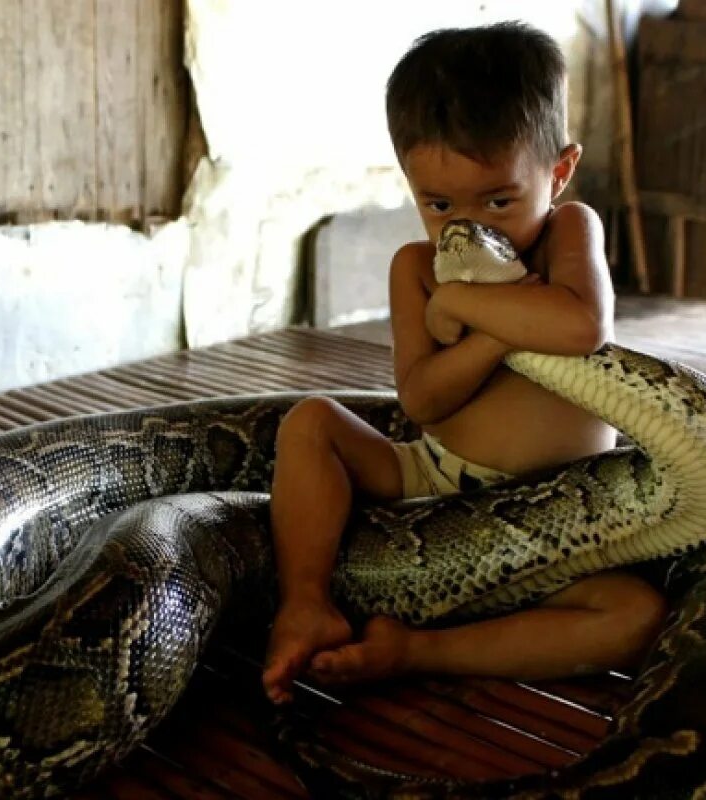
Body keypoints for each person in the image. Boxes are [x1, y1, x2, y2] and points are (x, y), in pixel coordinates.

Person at [261, 22, 668, 705]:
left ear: (559, 173)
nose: (466, 227)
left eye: (499, 201)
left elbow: (581, 326)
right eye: (439, 203)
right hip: (434, 475)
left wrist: (468, 307)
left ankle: (419, 651)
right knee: (309, 424)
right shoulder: (417, 268)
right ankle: (305, 600)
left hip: (564, 519)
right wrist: (482, 323)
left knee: (636, 618)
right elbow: (422, 401)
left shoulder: (572, 232)